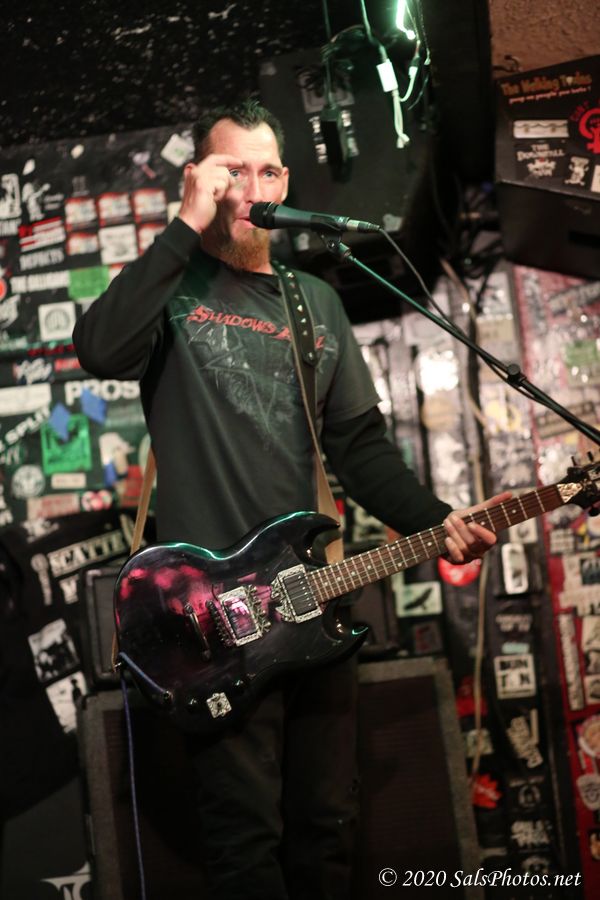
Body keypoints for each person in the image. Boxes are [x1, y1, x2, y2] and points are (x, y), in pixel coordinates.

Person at [73, 99, 509, 900]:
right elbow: (100, 348)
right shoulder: (169, 287)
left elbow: (360, 450)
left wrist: (437, 521)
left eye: (268, 170)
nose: (253, 186)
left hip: (313, 599)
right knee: (246, 843)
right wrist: (184, 225)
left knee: (328, 829)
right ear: (199, 180)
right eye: (231, 170)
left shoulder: (315, 303)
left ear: (284, 182)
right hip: (212, 620)